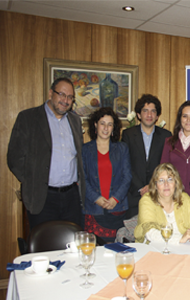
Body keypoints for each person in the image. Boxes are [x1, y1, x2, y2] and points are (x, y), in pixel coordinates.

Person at [7, 77, 86, 229]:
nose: (66, 100)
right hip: (42, 197)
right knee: (44, 245)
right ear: (51, 93)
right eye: (62, 94)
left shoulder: (75, 121)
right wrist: (32, 180)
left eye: (70, 97)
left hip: (71, 196)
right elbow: (14, 158)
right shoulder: (28, 118)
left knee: (71, 245)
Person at [82, 107, 132, 243]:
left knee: (116, 250)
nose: (106, 128)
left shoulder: (122, 148)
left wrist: (115, 199)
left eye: (110, 124)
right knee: (94, 250)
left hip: (116, 208)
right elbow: (82, 179)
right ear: (95, 125)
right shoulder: (85, 150)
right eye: (102, 123)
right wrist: (96, 198)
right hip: (93, 208)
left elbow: (127, 177)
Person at [122, 94, 172, 218]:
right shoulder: (128, 134)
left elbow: (166, 165)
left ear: (157, 116)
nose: (149, 115)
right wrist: (140, 188)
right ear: (139, 115)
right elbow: (125, 164)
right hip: (134, 195)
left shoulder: (166, 136)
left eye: (153, 111)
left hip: (159, 194)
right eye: (145, 111)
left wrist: (152, 185)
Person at [134, 163, 190, 245]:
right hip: (153, 250)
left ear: (176, 183)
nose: (166, 184)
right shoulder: (146, 200)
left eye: (170, 179)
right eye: (161, 180)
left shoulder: (184, 198)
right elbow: (150, 233)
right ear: (155, 185)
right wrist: (180, 239)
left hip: (183, 250)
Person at [160, 101, 190, 197]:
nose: (188, 120)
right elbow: (163, 172)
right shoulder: (169, 142)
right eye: (185, 116)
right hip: (174, 198)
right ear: (180, 119)